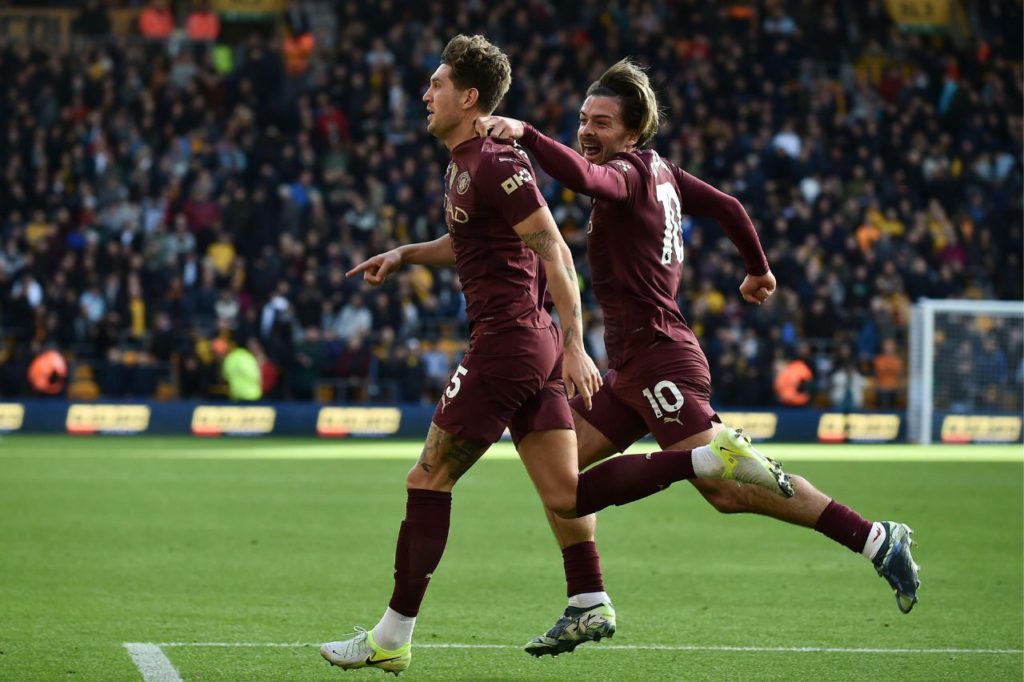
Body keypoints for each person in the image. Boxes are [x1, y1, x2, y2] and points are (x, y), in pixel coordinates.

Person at [319, 36, 791, 676]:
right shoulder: (462, 164)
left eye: (435, 85)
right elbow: (470, 240)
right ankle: (597, 586)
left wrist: (574, 344)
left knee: (427, 479)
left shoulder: (496, 161)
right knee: (566, 495)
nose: (424, 95)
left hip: (509, 344)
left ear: (469, 97)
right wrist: (405, 253)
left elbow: (556, 251)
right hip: (526, 345)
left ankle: (391, 636)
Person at [475, 58, 920, 655]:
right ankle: (587, 600)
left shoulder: (629, 172)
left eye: (602, 123)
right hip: (633, 369)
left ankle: (873, 537)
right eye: (583, 118)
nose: (587, 130)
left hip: (661, 361)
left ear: (633, 133)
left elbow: (587, 179)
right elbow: (732, 207)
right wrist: (758, 269)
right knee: (560, 474)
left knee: (726, 490)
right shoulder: (664, 171)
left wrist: (528, 134)